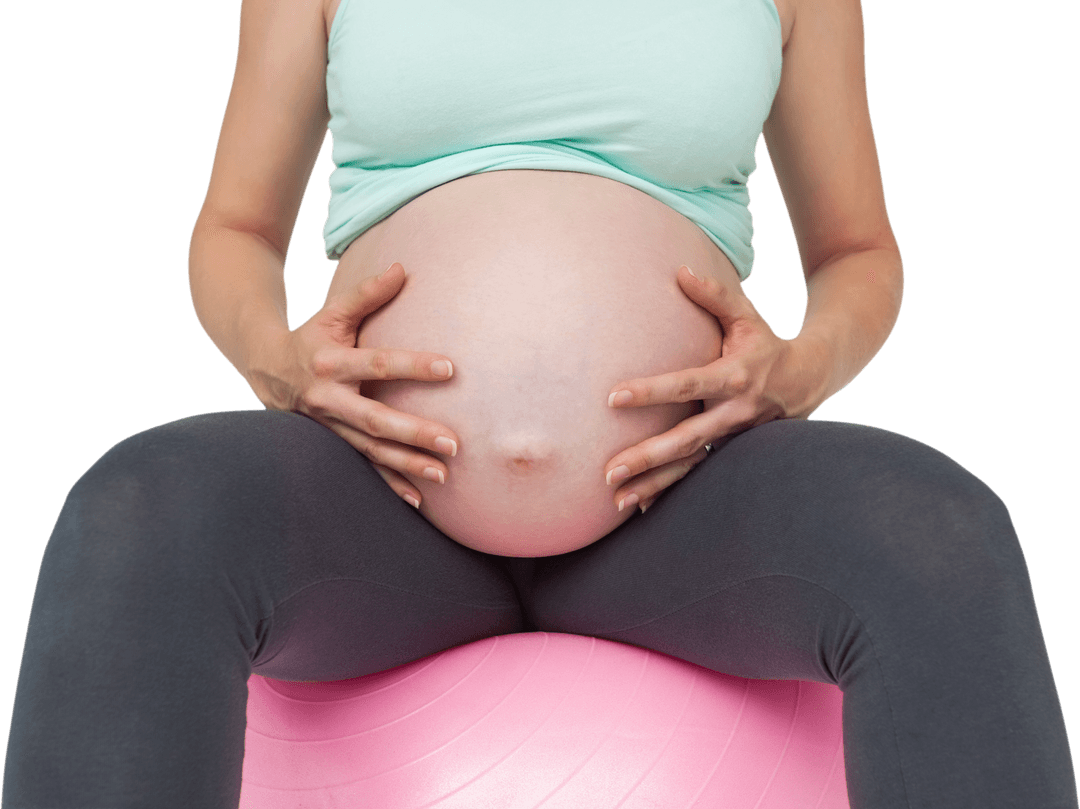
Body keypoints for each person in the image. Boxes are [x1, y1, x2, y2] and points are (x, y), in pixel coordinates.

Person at [3, 0, 1077, 804]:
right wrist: (276, 356)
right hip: (378, 496)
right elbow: (233, 227)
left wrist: (802, 363)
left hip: (684, 499)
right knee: (143, 507)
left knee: (940, 530)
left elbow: (859, 251)